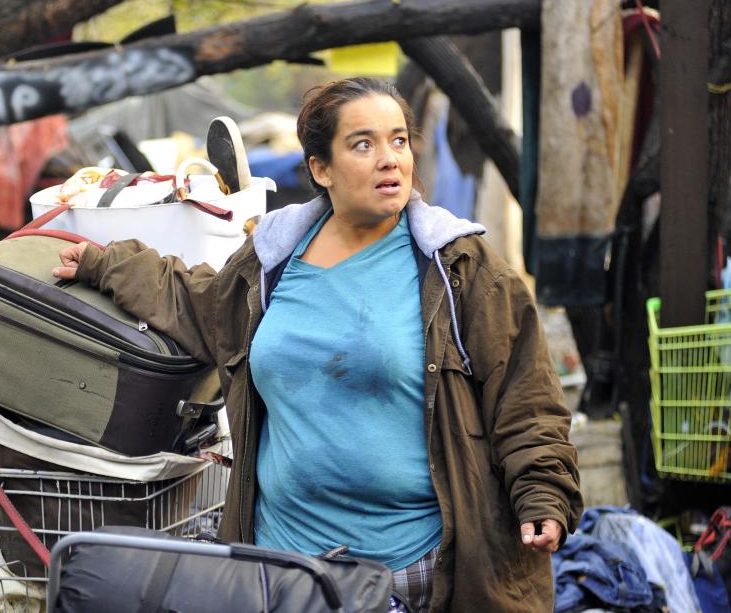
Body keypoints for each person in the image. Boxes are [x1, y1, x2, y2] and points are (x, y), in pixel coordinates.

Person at [52, 77, 582, 612]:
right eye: (363, 144)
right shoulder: (273, 261)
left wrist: (542, 492)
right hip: (283, 567)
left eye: (398, 141)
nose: (390, 160)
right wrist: (103, 263)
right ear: (320, 169)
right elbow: (200, 304)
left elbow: (527, 397)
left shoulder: (459, 269)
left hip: (413, 571)